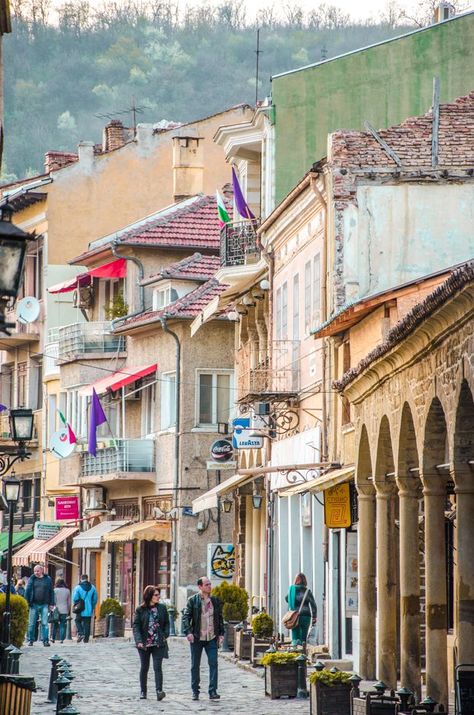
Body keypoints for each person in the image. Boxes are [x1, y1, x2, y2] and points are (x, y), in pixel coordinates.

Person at [182, 576, 225, 701]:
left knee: (213, 663)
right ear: (200, 587)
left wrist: (221, 634)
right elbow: (186, 617)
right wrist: (188, 632)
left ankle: (213, 691)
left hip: (211, 637)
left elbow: (219, 619)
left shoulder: (215, 601)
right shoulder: (193, 601)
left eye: (210, 584)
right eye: (207, 585)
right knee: (195, 665)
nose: (209, 586)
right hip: (197, 637)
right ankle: (195, 691)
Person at [132, 585, 170, 701]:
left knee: (157, 667)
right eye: (156, 595)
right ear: (149, 596)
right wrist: (138, 641)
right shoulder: (140, 609)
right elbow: (136, 626)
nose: (158, 597)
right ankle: (143, 691)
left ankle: (159, 691)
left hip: (158, 642)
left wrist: (165, 634)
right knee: (144, 667)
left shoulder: (162, 608)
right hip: (144, 643)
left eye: (159, 595)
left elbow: (167, 623)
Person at [25, 564, 55, 647]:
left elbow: (51, 591)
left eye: (37, 571)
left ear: (42, 571)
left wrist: (52, 603)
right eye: (35, 571)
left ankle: (45, 640)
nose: (36, 573)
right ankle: (31, 640)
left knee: (45, 623)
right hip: (33, 604)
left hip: (44, 604)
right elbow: (27, 590)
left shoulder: (47, 579)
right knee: (31, 623)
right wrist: (26, 602)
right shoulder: (32, 578)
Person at [285, 573, 317, 646]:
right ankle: (303, 650)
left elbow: (287, 599)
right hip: (306, 616)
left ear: (296, 580)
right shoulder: (307, 591)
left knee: (295, 634)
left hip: (295, 615)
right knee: (304, 635)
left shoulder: (292, 589)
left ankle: (295, 649)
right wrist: (314, 616)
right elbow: (313, 604)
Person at [72, 574, 98, 643]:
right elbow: (95, 599)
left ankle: (81, 633)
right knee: (87, 624)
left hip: (80, 609)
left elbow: (75, 598)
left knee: (77, 621)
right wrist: (92, 605)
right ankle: (86, 639)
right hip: (89, 609)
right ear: (87, 579)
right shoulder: (93, 587)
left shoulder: (78, 587)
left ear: (81, 579)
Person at [52, 578, 70, 643]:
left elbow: (53, 600)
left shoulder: (55, 590)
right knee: (62, 625)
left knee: (55, 625)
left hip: (56, 609)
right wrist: (68, 610)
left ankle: (53, 638)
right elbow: (68, 602)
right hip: (64, 609)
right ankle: (62, 639)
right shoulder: (67, 591)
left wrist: (52, 608)